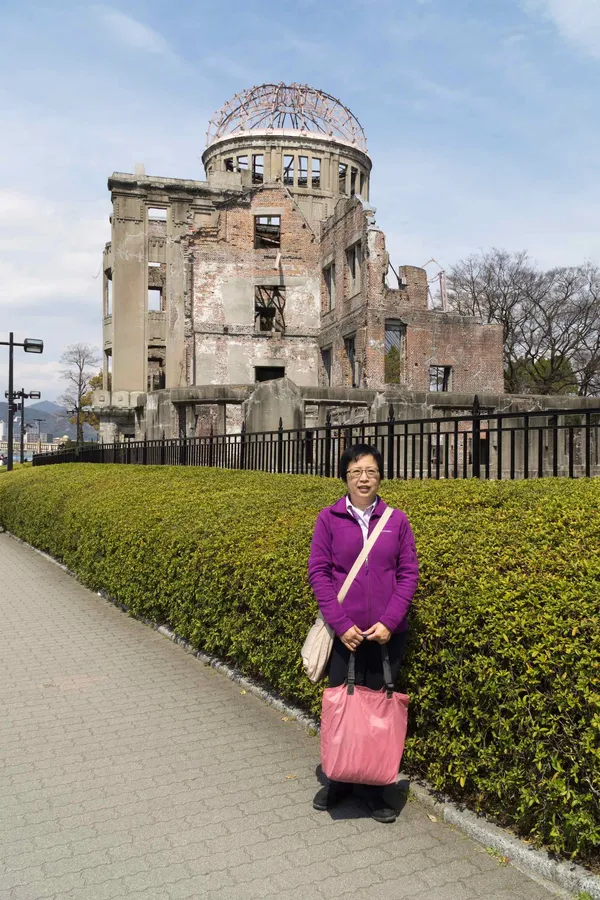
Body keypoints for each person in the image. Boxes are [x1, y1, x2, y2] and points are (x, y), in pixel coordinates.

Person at [308, 443, 419, 823]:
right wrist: (341, 626)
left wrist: (389, 621)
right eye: (356, 472)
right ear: (345, 477)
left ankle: (373, 789)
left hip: (385, 635)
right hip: (345, 634)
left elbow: (408, 574)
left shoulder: (396, 520)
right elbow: (319, 573)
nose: (364, 478)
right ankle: (339, 779)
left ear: (380, 476)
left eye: (370, 471)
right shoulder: (329, 518)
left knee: (376, 711)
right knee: (343, 709)